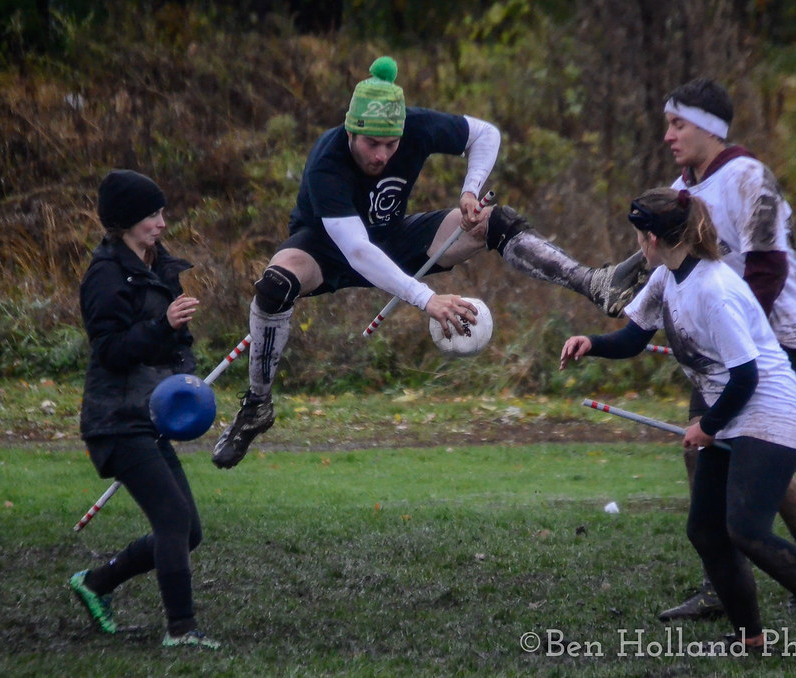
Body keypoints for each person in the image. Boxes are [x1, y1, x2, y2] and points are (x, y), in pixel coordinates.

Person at [211, 56, 645, 469]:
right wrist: (427, 300)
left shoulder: (416, 125)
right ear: (350, 131)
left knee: (492, 222)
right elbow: (357, 251)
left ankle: (595, 282)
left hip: (394, 237)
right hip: (325, 248)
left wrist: (471, 190)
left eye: (391, 144)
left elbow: (486, 134)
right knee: (274, 285)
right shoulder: (327, 161)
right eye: (371, 144)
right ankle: (257, 405)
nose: (381, 156)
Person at [560, 188, 796, 664]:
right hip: (732, 411)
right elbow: (633, 336)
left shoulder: (714, 289)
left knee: (747, 528)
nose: (637, 243)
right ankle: (750, 639)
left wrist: (706, 427)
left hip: (770, 411)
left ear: (650, 237)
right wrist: (591, 343)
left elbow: (746, 373)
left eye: (637, 235)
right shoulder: (668, 276)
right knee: (706, 530)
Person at [656, 77, 796, 621]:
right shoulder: (682, 190)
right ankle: (723, 582)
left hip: (790, 345)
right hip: (729, 352)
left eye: (677, 124)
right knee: (706, 454)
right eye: (667, 124)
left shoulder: (749, 177)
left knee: (756, 474)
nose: (667, 136)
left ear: (709, 127)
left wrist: (727, 333)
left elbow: (767, 267)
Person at [69, 169, 219, 649]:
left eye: (161, 212)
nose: (161, 221)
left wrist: (186, 383)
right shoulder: (106, 275)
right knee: (173, 521)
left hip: (150, 417)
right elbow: (110, 350)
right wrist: (163, 323)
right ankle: (182, 630)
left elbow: (176, 342)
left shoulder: (158, 267)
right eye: (153, 214)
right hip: (115, 421)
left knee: (188, 531)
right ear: (128, 219)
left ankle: (95, 583)